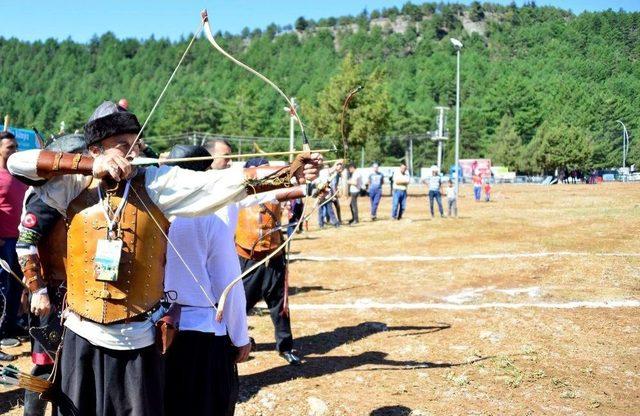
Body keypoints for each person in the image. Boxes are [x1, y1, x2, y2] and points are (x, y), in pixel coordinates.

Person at [7, 101, 321, 416]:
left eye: (136, 144)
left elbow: (224, 182)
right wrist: (91, 166)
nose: (132, 153)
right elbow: (17, 163)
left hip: (138, 342)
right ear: (96, 149)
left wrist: (291, 172)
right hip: (81, 336)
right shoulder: (72, 185)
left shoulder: (157, 183)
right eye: (122, 146)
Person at [0, 130, 28, 356]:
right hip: (2, 240)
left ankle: (9, 326)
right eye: (9, 147)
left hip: (18, 240)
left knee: (16, 286)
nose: (14, 151)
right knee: (1, 290)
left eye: (15, 147)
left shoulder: (18, 175)